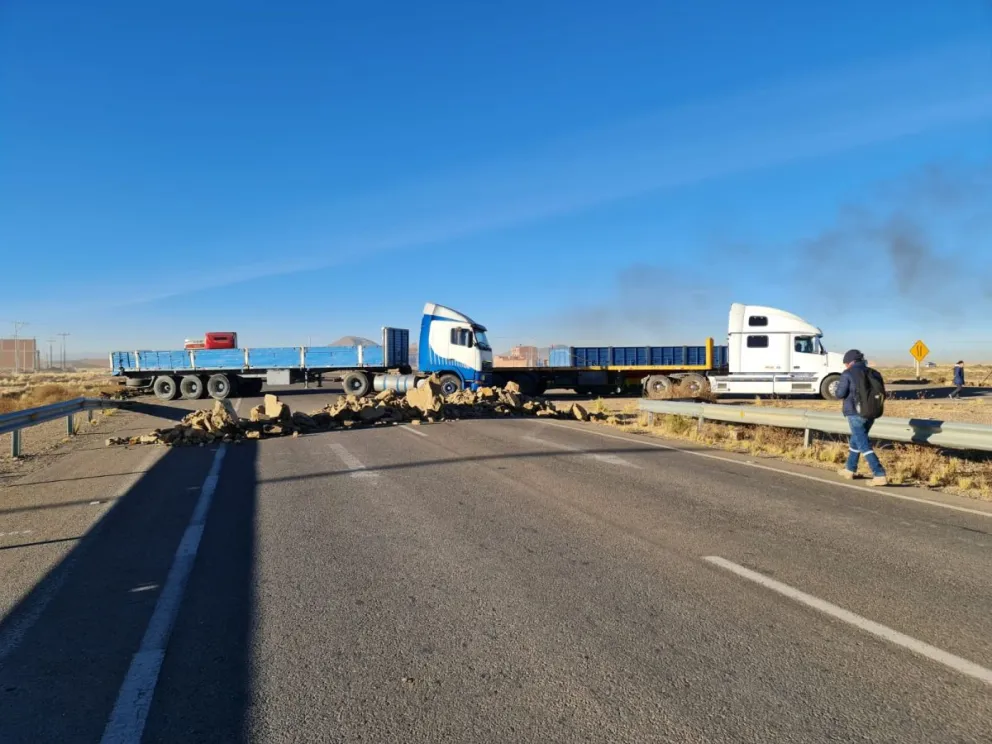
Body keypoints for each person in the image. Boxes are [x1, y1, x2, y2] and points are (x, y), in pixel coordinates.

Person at [834, 349, 887, 486]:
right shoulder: (874, 373)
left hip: (855, 412)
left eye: (846, 363)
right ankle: (850, 469)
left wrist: (836, 389)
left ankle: (879, 474)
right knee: (856, 440)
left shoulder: (848, 373)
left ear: (850, 362)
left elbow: (840, 394)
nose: (845, 366)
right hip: (872, 412)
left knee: (863, 444)